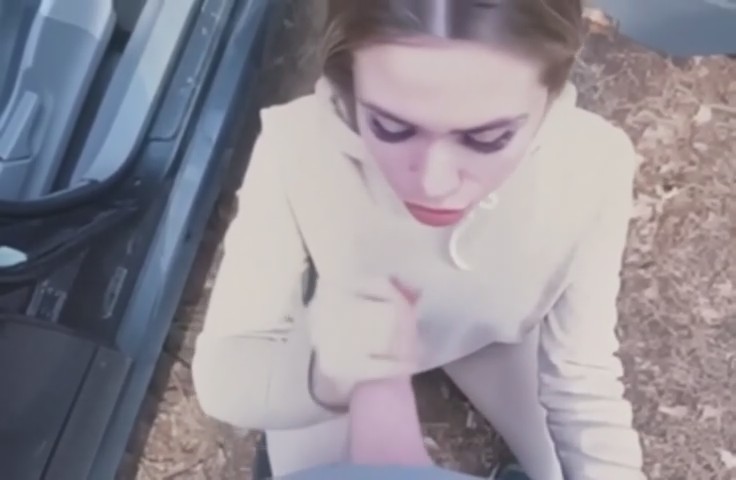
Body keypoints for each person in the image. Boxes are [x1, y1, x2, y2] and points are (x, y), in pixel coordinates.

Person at [191, 1, 647, 479]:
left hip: (489, 340)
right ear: (349, 86)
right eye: (390, 128)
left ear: (552, 98)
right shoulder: (296, 145)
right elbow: (225, 373)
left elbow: (583, 380)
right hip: (341, 346)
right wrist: (325, 376)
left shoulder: (595, 163)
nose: (434, 183)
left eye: (487, 138)